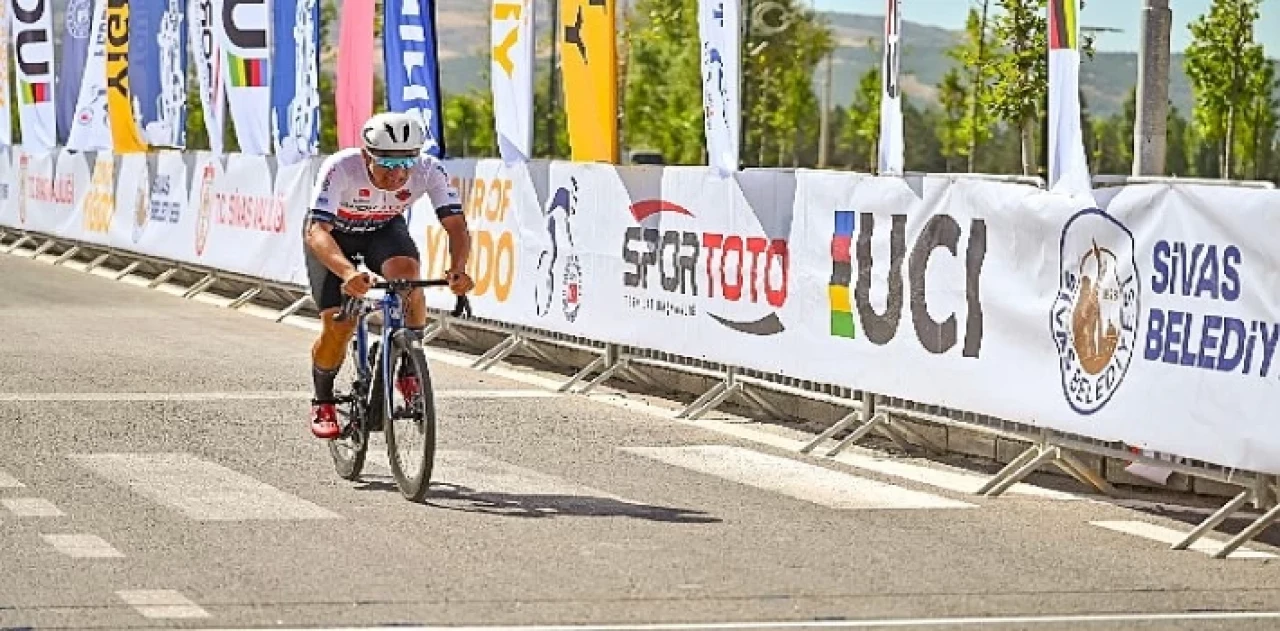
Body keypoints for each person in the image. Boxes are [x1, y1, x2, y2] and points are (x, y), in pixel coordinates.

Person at [302, 112, 473, 440]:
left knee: (408, 277)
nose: (398, 176)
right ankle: (323, 400)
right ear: (367, 155)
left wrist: (459, 269)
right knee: (338, 327)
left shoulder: (429, 169)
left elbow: (456, 228)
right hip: (334, 237)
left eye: (405, 165)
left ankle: (408, 363)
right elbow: (316, 231)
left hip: (382, 230)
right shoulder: (342, 167)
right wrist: (348, 273)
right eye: (388, 166)